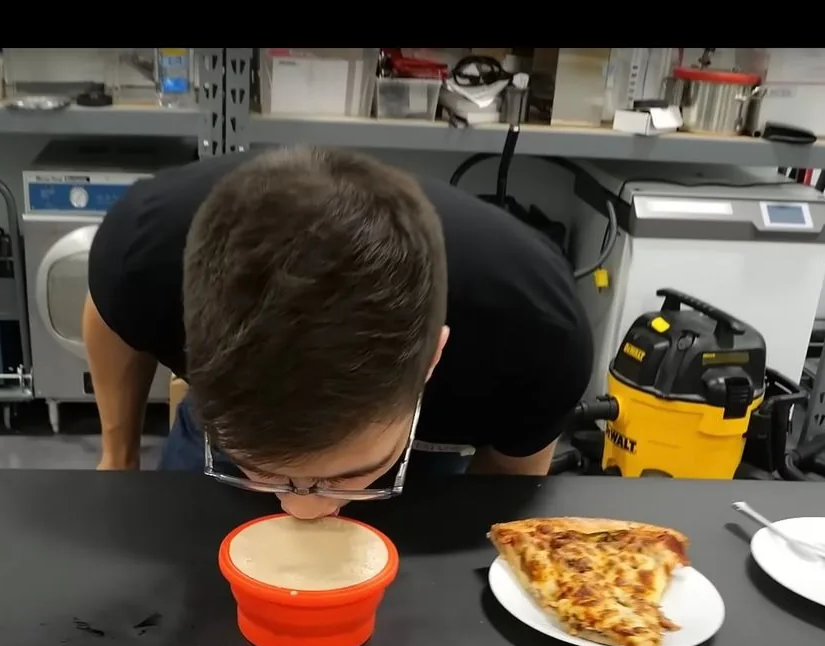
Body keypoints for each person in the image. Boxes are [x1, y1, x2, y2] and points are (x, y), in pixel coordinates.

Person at [83, 145, 592, 520]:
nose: (303, 511)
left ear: (434, 357)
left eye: (346, 476)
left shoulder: (537, 335)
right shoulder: (146, 251)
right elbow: (113, 314)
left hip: (430, 455)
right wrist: (118, 457)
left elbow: (502, 492)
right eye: (266, 472)